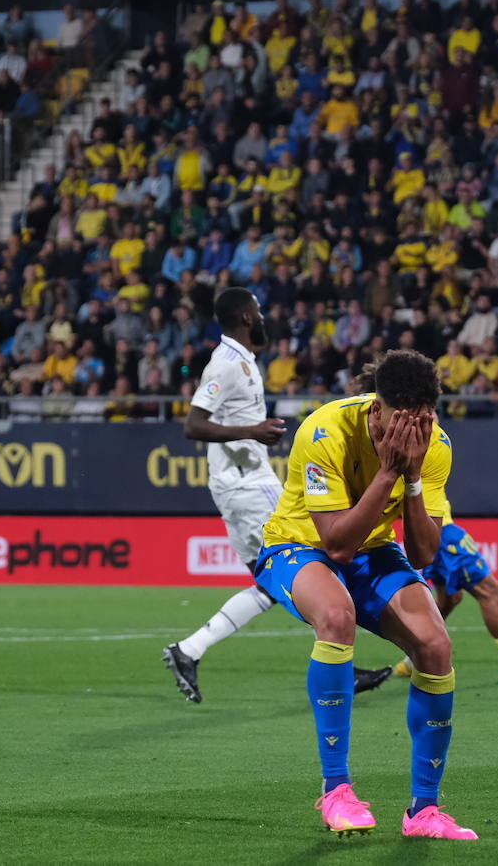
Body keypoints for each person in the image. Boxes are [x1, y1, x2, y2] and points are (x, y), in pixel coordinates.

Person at [255, 349, 477, 840]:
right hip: (297, 545)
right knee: (337, 614)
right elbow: (335, 543)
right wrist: (387, 472)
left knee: (436, 645)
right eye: (398, 424)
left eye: (421, 422)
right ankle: (337, 790)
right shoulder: (324, 431)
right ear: (377, 409)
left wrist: (413, 477)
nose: (407, 435)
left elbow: (421, 554)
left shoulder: (433, 445)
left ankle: (424, 811)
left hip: (372, 549)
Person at [162, 287, 391, 703]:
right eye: (259, 311)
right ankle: (339, 662)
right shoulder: (226, 364)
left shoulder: (244, 361)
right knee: (306, 562)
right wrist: (253, 431)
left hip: (247, 481)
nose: (264, 317)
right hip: (246, 484)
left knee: (273, 581)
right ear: (248, 318)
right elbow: (193, 425)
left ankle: (189, 650)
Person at [391, 501, 498, 684]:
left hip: (431, 530)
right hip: (444, 532)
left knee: (451, 599)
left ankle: (413, 659)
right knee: (489, 592)